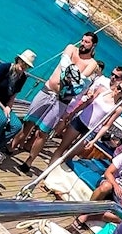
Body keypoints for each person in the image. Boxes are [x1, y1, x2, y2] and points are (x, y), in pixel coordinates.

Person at [11, 32, 98, 172]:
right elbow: (70, 72)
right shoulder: (71, 48)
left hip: (62, 101)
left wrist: (73, 74)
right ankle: (12, 146)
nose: (82, 43)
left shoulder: (92, 63)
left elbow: (78, 80)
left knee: (43, 132)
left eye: (87, 42)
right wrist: (74, 75)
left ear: (93, 45)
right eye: (82, 40)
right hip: (47, 91)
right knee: (28, 122)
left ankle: (29, 161)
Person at [49, 79, 122, 165]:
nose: (119, 91)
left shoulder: (118, 108)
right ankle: (47, 173)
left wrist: (94, 140)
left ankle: (56, 170)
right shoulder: (102, 91)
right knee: (62, 147)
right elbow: (87, 103)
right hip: (80, 121)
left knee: (71, 154)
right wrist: (73, 112)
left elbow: (106, 126)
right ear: (117, 85)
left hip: (91, 131)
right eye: (119, 88)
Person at [0, 49, 36, 165]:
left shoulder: (22, 77)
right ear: (18, 59)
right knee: (2, 119)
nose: (24, 66)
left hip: (3, 104)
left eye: (27, 65)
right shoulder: (4, 68)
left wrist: (8, 107)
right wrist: (2, 107)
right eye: (23, 62)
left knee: (17, 125)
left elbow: (13, 96)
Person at [53, 60, 105, 136]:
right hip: (78, 98)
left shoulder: (94, 77)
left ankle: (56, 132)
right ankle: (56, 132)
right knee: (65, 115)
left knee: (65, 116)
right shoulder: (94, 77)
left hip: (77, 98)